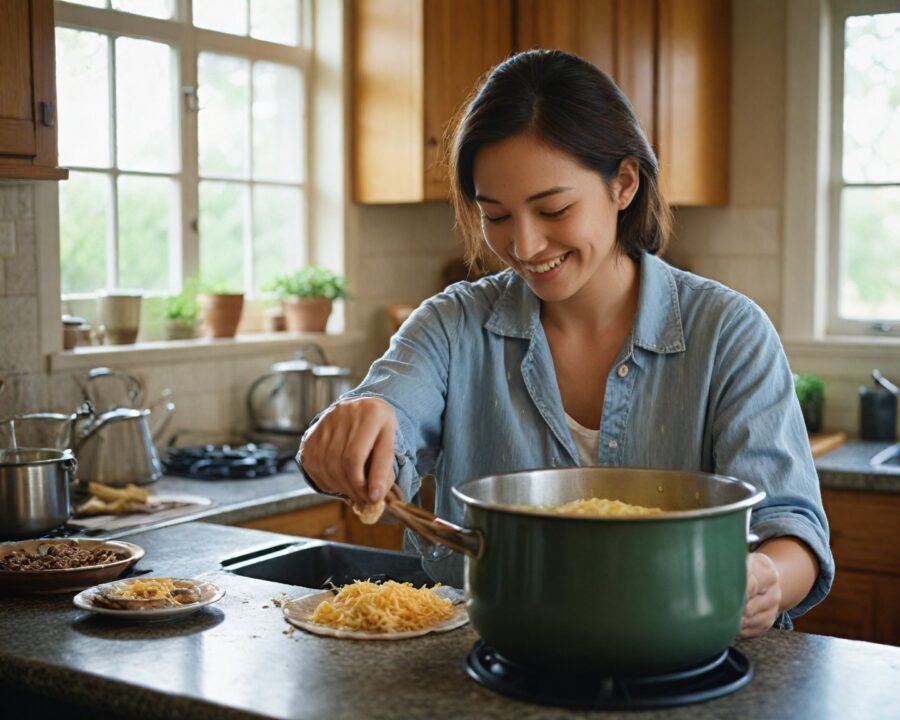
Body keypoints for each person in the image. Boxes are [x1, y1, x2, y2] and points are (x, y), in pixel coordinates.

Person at [298, 49, 833, 637]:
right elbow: (384, 419)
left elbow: (793, 531)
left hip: (678, 659)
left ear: (624, 183)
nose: (524, 245)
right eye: (495, 215)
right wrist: (352, 432)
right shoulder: (452, 325)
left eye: (553, 208)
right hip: (488, 668)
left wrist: (765, 578)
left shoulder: (729, 332)